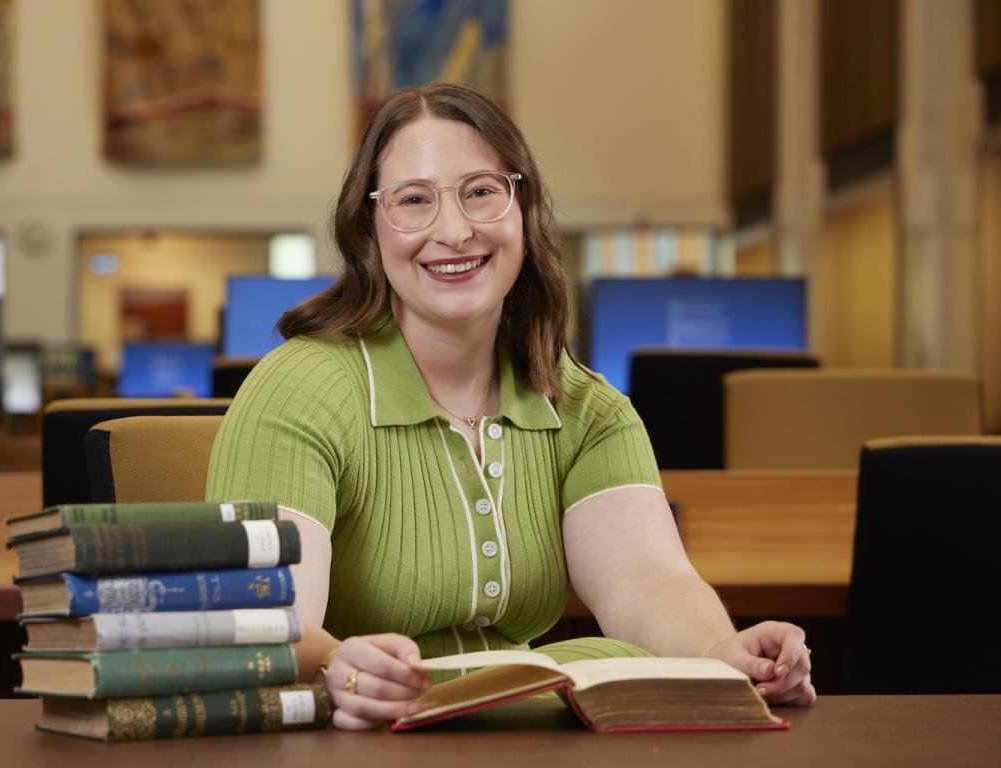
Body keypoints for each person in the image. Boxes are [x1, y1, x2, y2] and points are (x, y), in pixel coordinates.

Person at [205, 83, 815, 730]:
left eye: (481, 192)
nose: (454, 229)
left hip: (513, 729)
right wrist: (340, 664)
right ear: (369, 229)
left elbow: (649, 583)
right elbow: (268, 622)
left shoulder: (586, 406)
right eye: (414, 200)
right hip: (354, 731)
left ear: (523, 211)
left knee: (624, 662)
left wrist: (720, 653)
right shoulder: (300, 389)